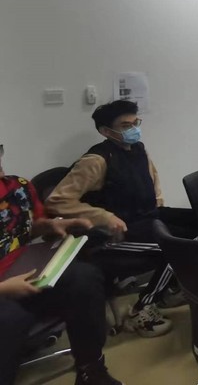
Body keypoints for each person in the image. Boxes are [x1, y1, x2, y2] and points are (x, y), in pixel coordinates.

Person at [46, 100, 198, 337]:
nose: (134, 129)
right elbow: (56, 201)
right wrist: (104, 216)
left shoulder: (138, 149)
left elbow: (152, 182)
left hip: (145, 217)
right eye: (126, 125)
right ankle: (142, 309)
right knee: (179, 247)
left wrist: (159, 208)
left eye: (136, 123)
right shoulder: (96, 160)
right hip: (112, 234)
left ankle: (168, 290)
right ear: (106, 131)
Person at [0, 144, 124, 385]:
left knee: (84, 278)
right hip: (5, 289)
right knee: (11, 317)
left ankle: (91, 370)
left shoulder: (18, 187)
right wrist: (4, 289)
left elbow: (23, 228)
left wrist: (51, 225)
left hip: (24, 271)